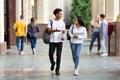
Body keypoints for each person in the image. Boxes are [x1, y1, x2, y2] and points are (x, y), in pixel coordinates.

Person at [47, 8, 65, 75]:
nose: (61, 15)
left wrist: (63, 35)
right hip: (52, 40)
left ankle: (57, 69)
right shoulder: (51, 22)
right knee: (50, 54)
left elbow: (63, 31)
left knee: (59, 55)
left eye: (61, 14)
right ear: (56, 14)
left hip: (60, 41)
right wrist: (55, 30)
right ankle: (53, 63)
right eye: (60, 14)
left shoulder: (62, 23)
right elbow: (49, 30)